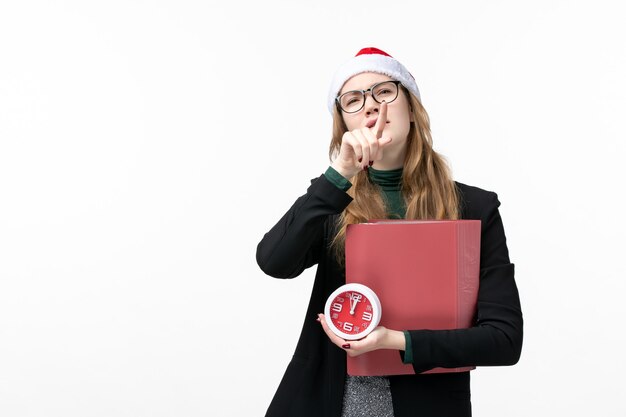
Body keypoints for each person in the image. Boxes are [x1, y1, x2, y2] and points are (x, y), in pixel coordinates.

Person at [256, 47, 523, 417]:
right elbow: (274, 261)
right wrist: (340, 174)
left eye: (383, 91)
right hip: (325, 400)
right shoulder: (333, 199)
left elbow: (504, 340)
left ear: (411, 109)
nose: (371, 106)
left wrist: (394, 342)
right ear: (345, 125)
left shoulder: (475, 209)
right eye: (353, 100)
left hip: (428, 404)